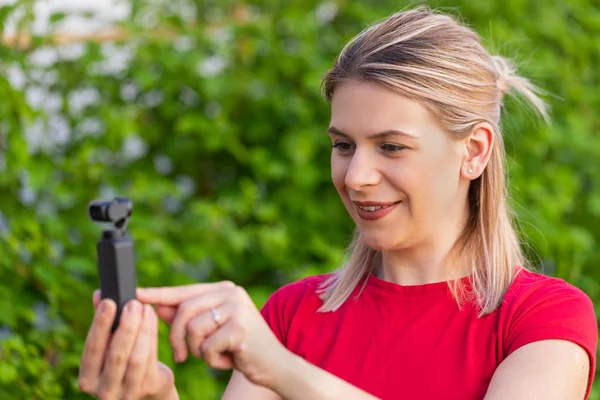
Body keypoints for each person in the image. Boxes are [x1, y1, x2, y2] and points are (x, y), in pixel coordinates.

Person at [78, 6, 598, 400]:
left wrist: (281, 369)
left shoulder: (543, 320)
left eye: (391, 146)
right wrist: (154, 395)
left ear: (475, 151)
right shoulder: (291, 317)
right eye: (343, 145)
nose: (356, 176)